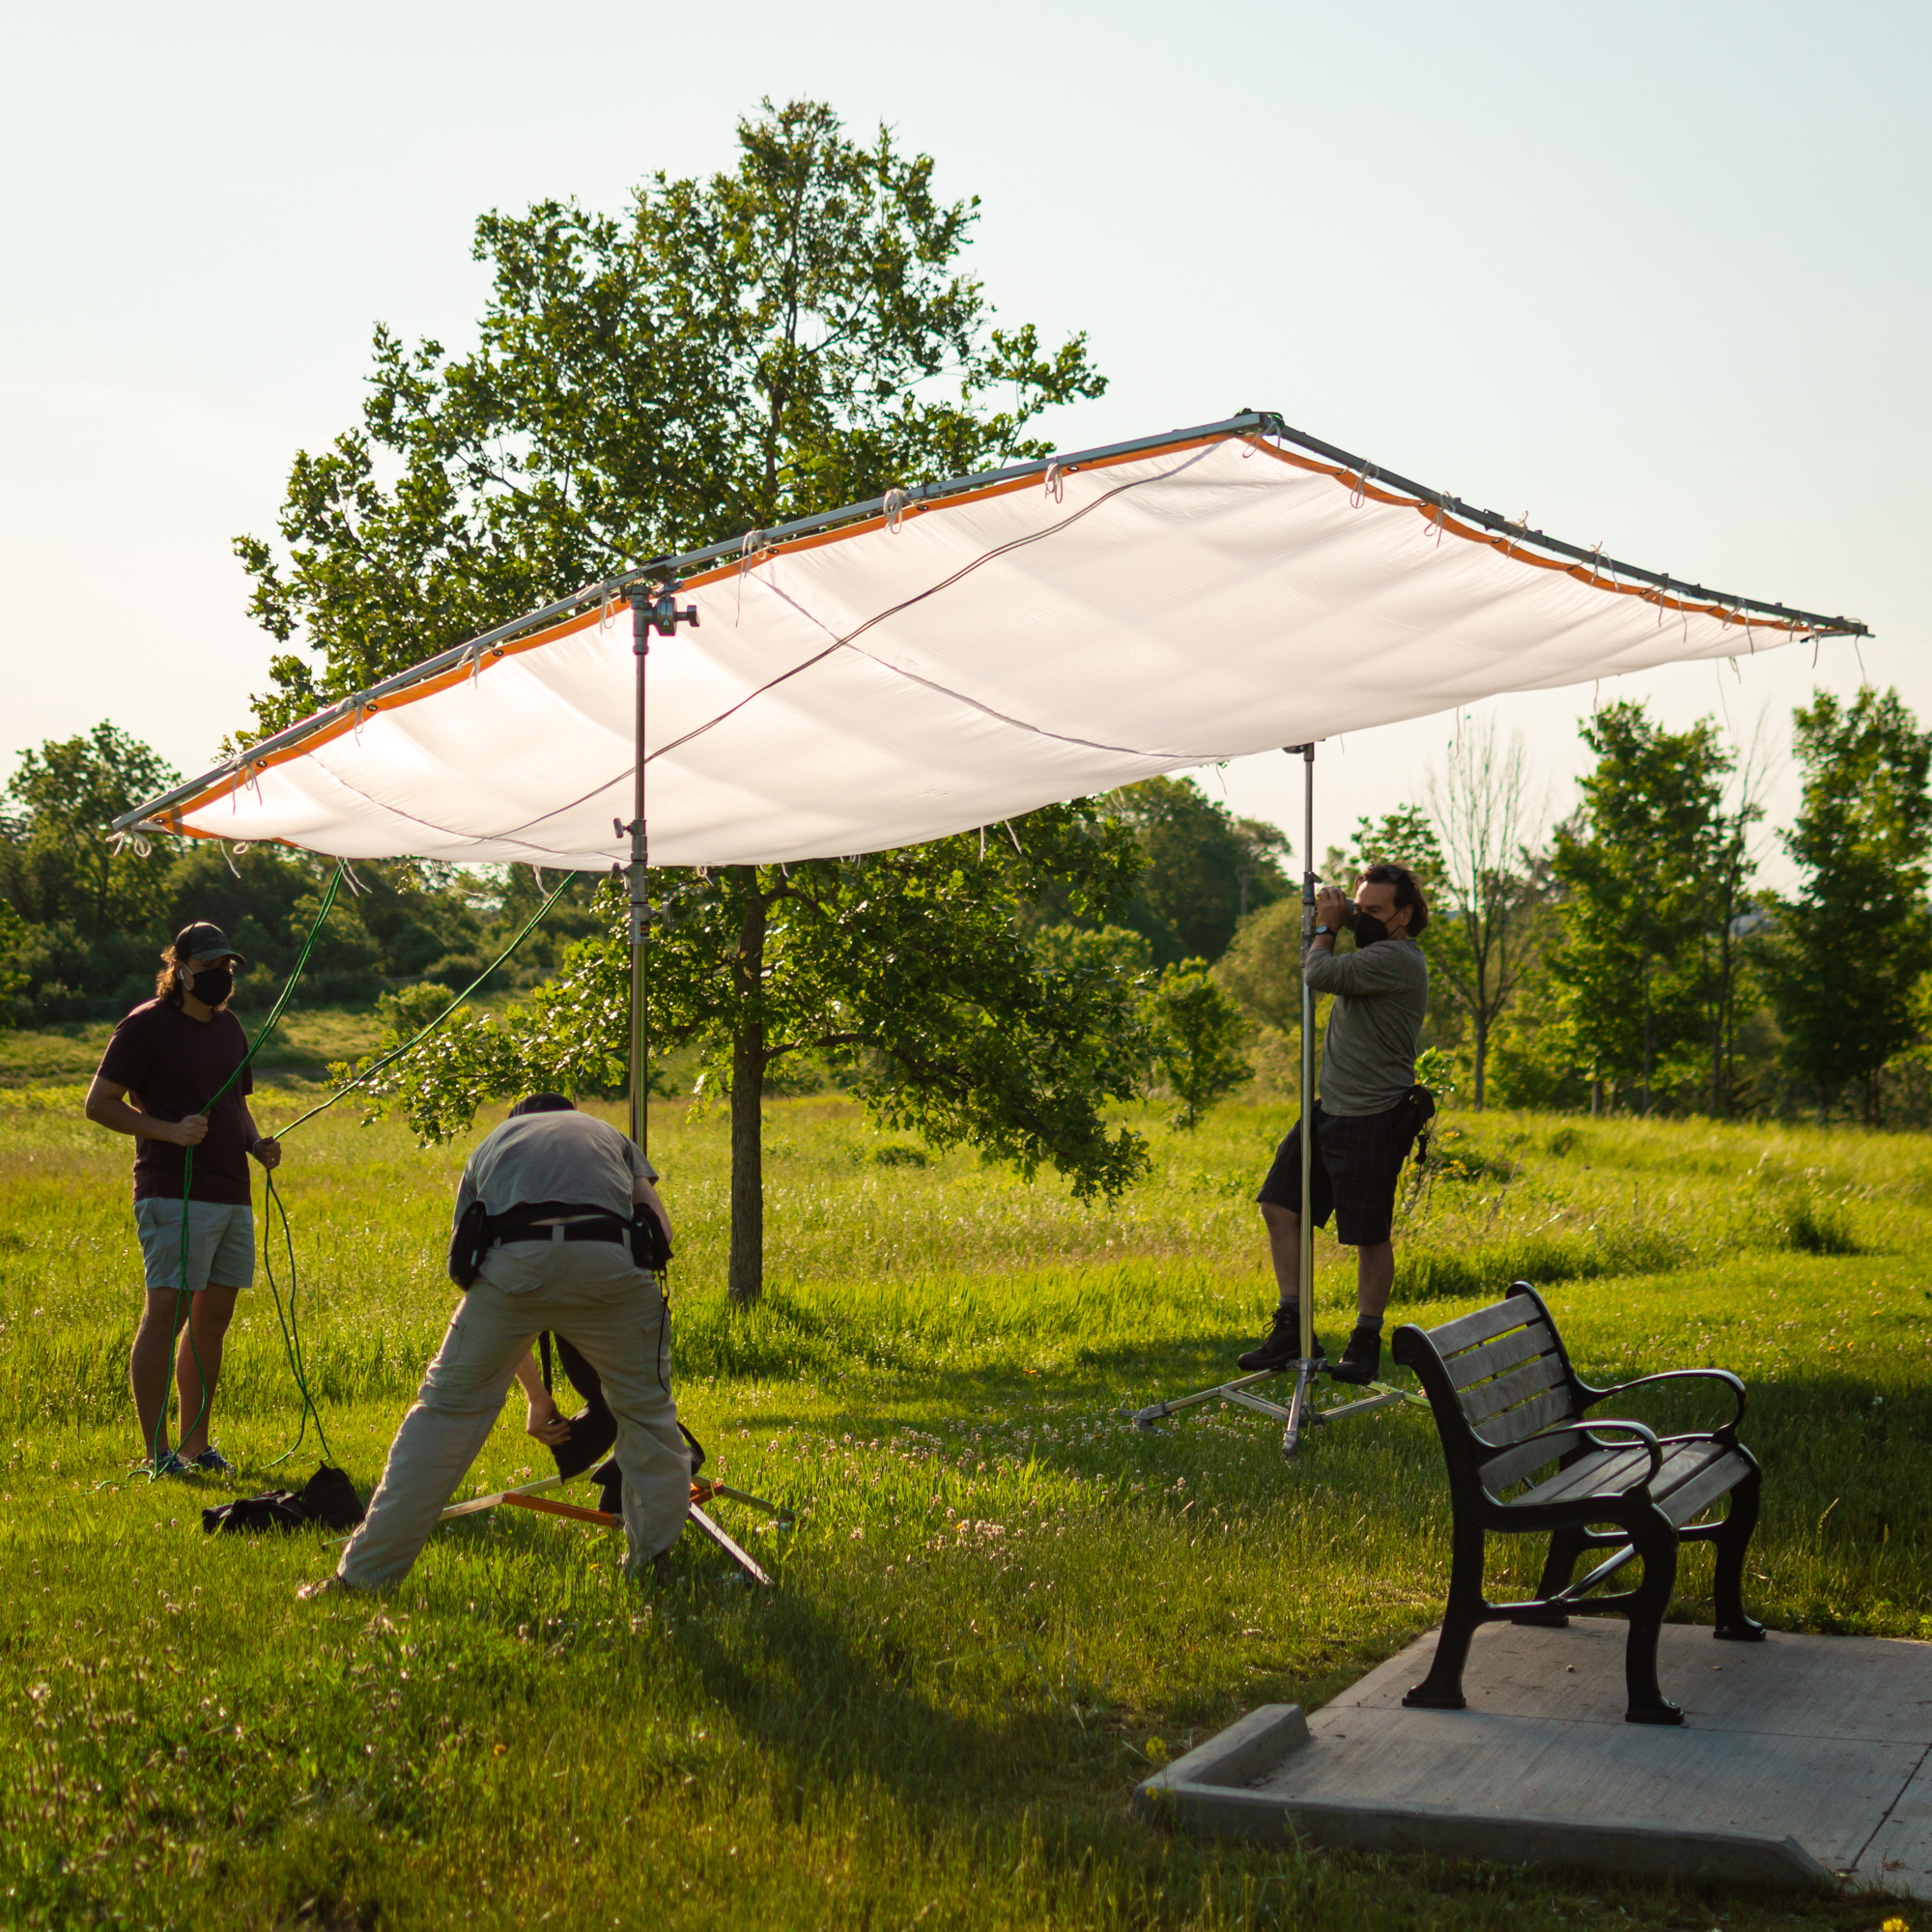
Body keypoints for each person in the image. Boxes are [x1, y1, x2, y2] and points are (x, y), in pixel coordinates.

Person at [303, 1094, 690, 1596]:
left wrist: (534, 1391)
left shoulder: (492, 1144)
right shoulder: (611, 1136)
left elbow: (468, 1259)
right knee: (647, 1416)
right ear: (569, 1112)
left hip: (513, 1263)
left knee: (444, 1415)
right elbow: (659, 1228)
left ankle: (362, 1579)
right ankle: (651, 1565)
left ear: (517, 1122)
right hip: (609, 1264)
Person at [84, 922, 283, 1475]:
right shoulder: (145, 1025)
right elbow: (98, 1103)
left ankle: (196, 1444)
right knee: (166, 1313)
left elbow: (235, 1108)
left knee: (211, 1320)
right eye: (210, 966)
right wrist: (169, 1131)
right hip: (171, 1192)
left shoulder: (230, 1027)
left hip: (230, 1193)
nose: (220, 977)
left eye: (228, 968)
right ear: (180, 968)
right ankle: (157, 1452)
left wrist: (256, 1145)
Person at [1237, 864, 1431, 1387]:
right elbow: (1330, 952)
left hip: (1373, 1115)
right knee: (1280, 1205)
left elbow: (1318, 973)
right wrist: (1338, 912)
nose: (1362, 918)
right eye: (1359, 908)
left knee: (1368, 1235)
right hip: (1330, 1109)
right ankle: (1294, 1328)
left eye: (1375, 911)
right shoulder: (1374, 950)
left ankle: (1365, 1341)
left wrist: (1327, 927)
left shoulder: (1397, 959)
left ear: (1404, 916)